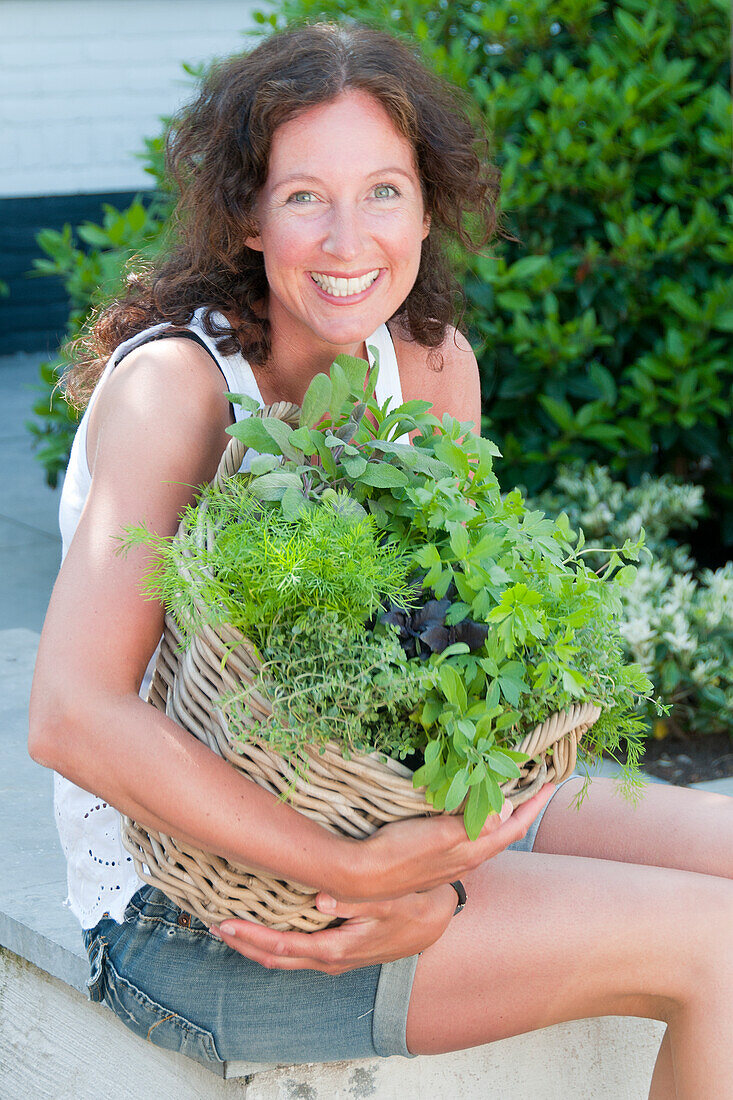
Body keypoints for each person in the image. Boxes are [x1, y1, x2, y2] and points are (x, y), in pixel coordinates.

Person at [28, 22, 731, 1096]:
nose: (348, 238)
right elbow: (72, 714)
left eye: (385, 191)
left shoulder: (431, 368)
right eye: (304, 194)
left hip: (386, 819)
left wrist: (436, 879)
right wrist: (362, 871)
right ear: (248, 215)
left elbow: (452, 673)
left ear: (428, 203)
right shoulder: (175, 390)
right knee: (712, 942)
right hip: (195, 907)